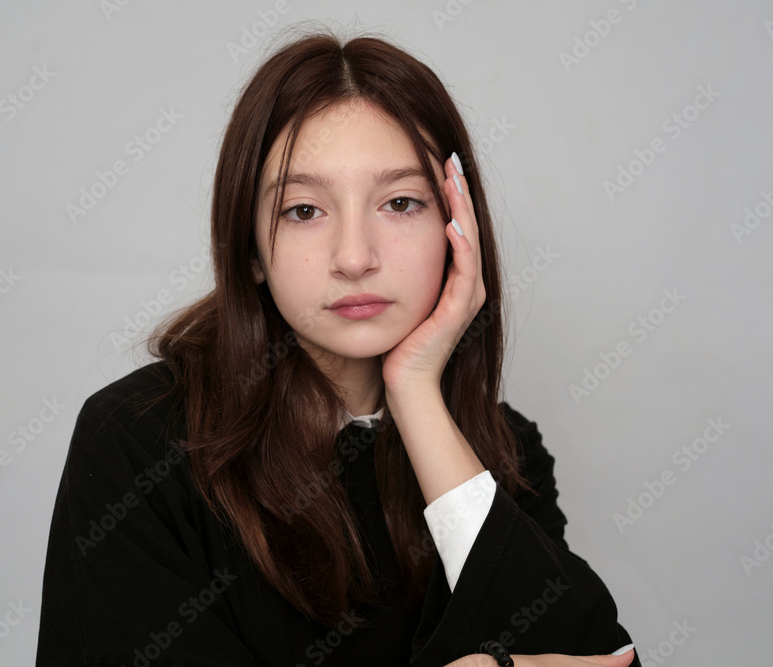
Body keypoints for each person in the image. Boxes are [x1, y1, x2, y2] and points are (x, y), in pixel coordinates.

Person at [36, 30, 639, 667]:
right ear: (251, 252)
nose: (354, 258)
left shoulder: (500, 448)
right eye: (303, 211)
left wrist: (415, 392)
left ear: (457, 230)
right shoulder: (138, 442)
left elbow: (601, 658)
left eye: (401, 203)